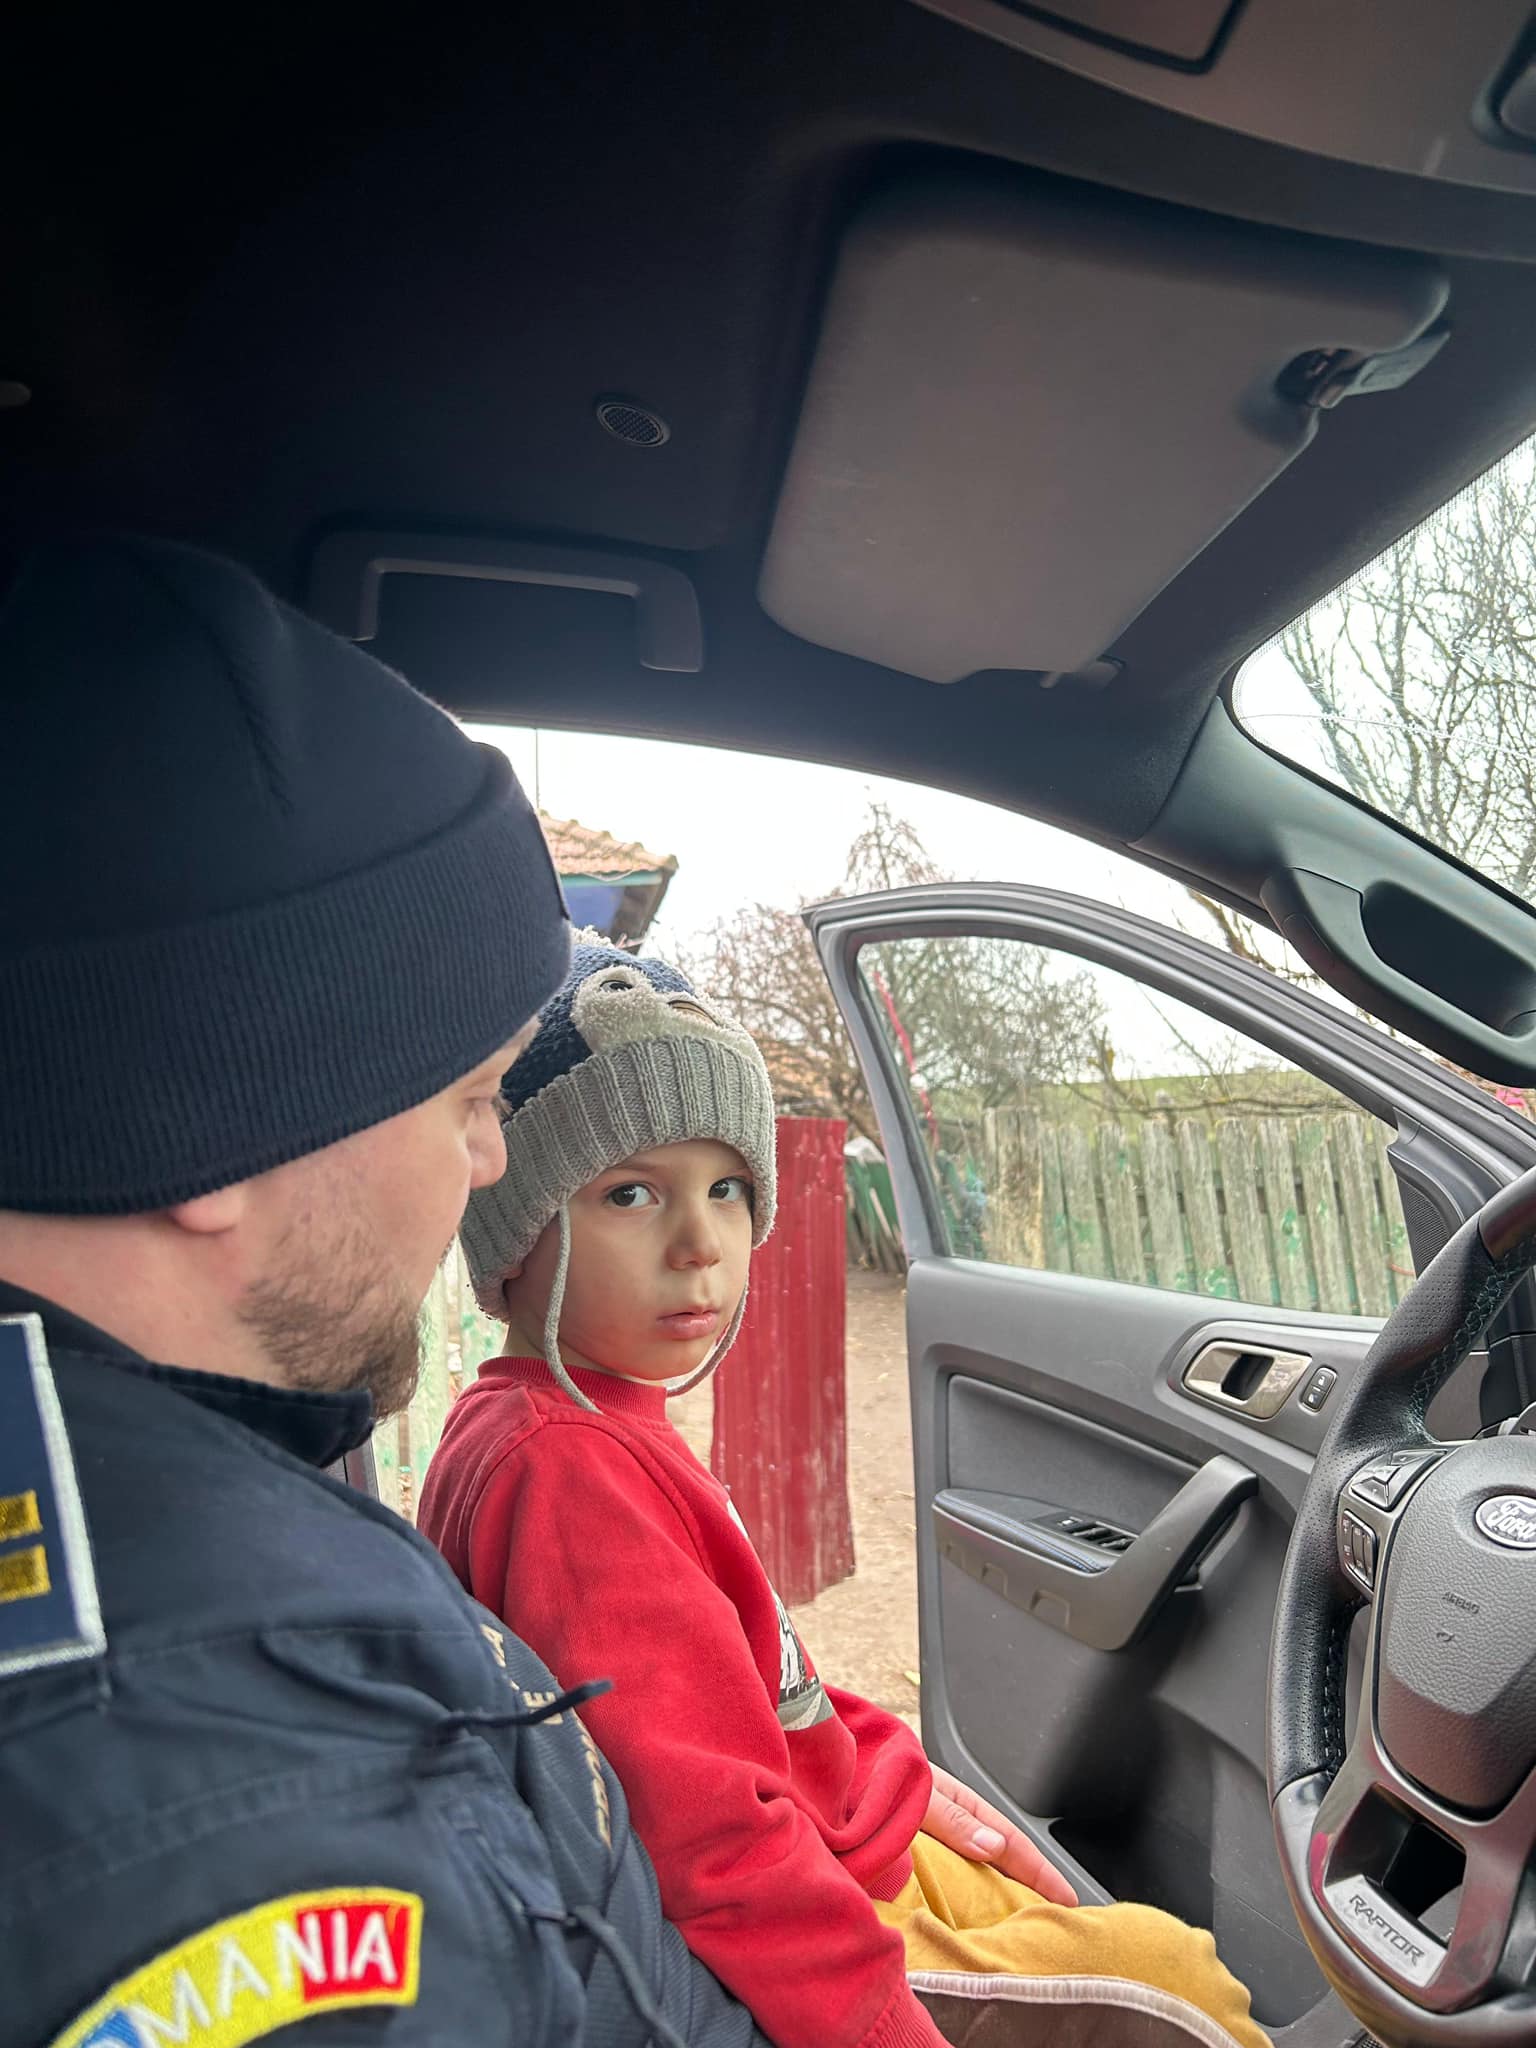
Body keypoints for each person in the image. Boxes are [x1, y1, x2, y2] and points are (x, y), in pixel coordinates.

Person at [0, 537, 773, 2047]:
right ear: (219, 1118)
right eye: (471, 1099)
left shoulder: (134, 1494)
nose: (491, 1161)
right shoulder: (264, 1812)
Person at [417, 940, 1273, 2048]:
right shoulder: (565, 1471)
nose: (701, 1242)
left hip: (848, 1831)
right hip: (827, 1913)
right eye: (630, 1192)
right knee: (1181, 1978)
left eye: (728, 1189)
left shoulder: (581, 1418)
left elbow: (741, 1682)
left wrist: (883, 1764)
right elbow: (710, 1841)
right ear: (515, 1229)